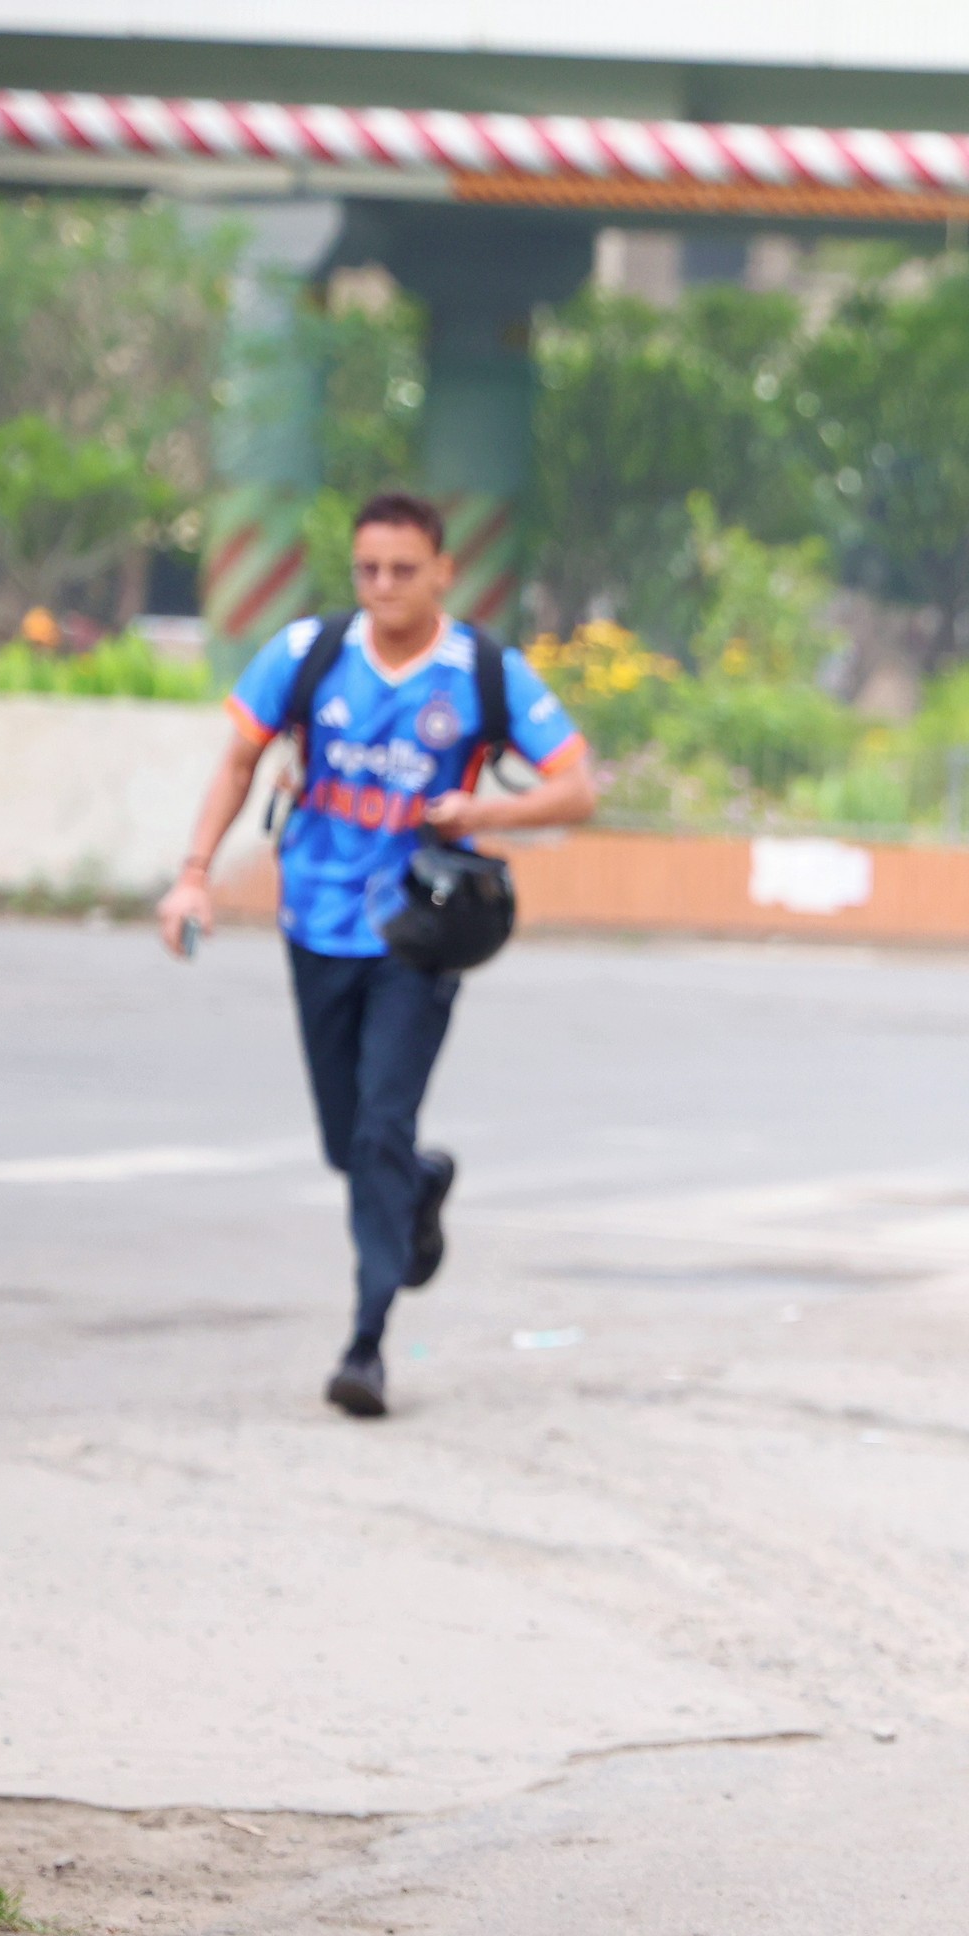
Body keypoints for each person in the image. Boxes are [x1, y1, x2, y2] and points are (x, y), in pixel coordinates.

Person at [159, 492, 598, 1420]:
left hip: (418, 932)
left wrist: (483, 811)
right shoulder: (309, 654)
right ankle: (421, 1186)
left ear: (442, 571)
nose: (385, 586)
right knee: (345, 1143)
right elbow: (238, 762)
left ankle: (366, 1345)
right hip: (314, 920)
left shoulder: (484, 672)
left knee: (377, 1132)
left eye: (404, 570)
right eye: (369, 570)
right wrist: (194, 876)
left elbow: (576, 788)